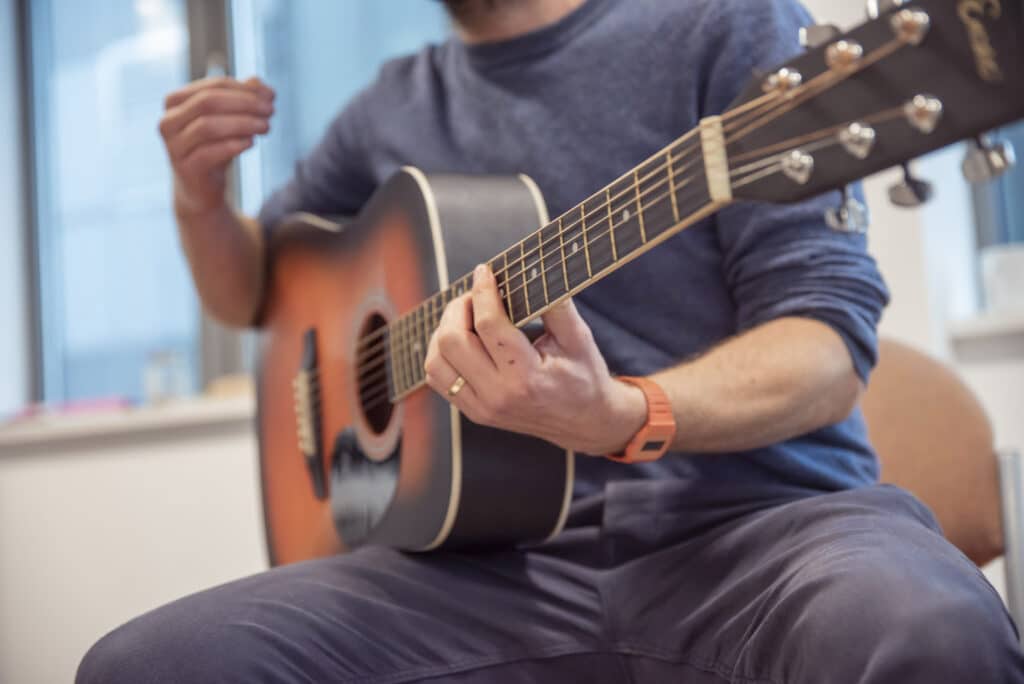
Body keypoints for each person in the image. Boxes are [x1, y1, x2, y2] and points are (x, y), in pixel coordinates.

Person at [78, 0, 1024, 681]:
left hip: (764, 536)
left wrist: (625, 414)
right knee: (142, 665)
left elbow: (823, 349)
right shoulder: (390, 106)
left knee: (928, 632)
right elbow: (253, 297)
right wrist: (199, 198)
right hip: (472, 572)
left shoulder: (723, 25)